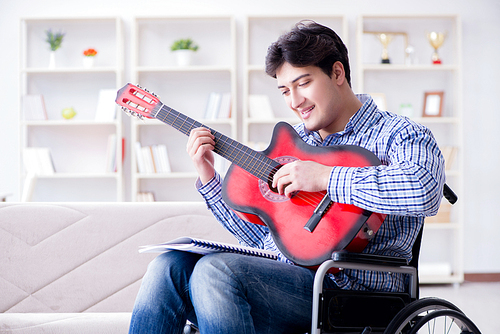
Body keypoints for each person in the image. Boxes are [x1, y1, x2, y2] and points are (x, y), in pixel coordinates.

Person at [128, 20, 445, 334]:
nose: (294, 102)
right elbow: (262, 239)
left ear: (337, 73)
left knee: (215, 272)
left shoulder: (399, 134)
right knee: (167, 267)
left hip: (351, 290)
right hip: (282, 278)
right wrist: (209, 176)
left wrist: (324, 177)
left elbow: (425, 190)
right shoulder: (292, 142)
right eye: (284, 90)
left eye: (303, 83)